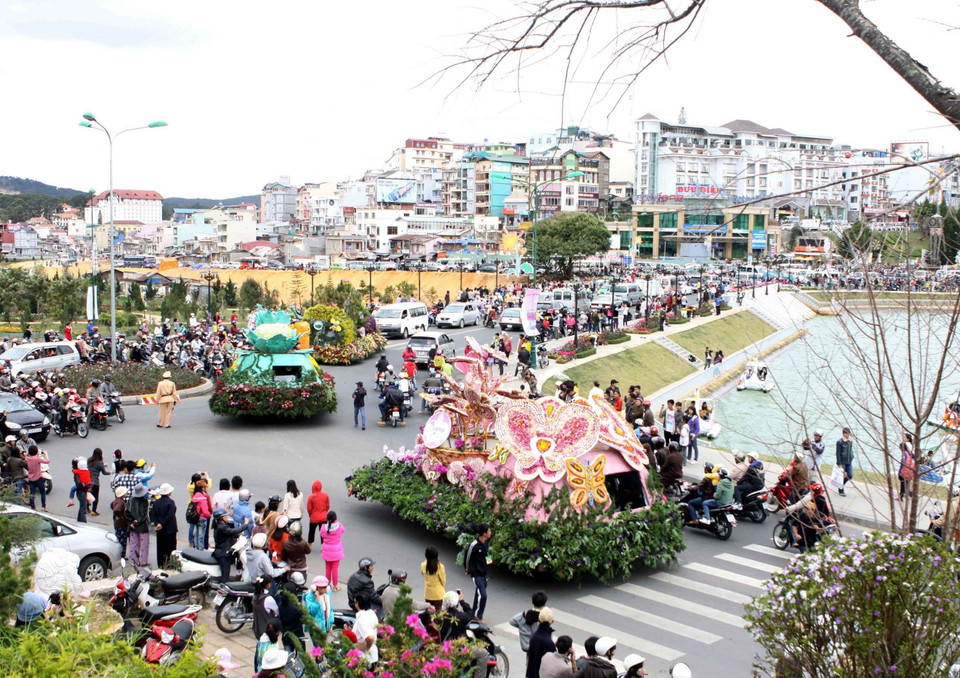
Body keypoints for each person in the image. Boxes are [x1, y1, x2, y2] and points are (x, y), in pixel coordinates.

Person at [464, 523, 492, 621]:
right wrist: (467, 568)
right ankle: (478, 616)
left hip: (484, 573)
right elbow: (467, 557)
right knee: (483, 595)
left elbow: (487, 553)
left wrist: (489, 562)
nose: (490, 532)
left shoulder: (486, 542)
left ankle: (474, 611)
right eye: (489, 531)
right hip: (476, 574)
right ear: (484, 533)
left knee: (479, 592)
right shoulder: (474, 545)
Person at [213, 507, 247, 582]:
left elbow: (228, 534)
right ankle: (223, 590)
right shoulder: (222, 527)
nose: (227, 517)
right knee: (225, 576)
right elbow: (232, 531)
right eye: (226, 515)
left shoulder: (220, 525)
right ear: (221, 518)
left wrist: (238, 535)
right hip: (223, 553)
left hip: (223, 551)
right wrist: (245, 525)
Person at [150, 483, 178, 568]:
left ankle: (161, 564)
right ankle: (170, 564)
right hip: (170, 529)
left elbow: (153, 515)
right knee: (170, 548)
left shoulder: (157, 502)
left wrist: (158, 523)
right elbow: (170, 516)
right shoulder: (171, 502)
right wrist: (162, 524)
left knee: (160, 548)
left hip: (160, 530)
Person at [526, 608, 557, 678]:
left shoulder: (533, 636)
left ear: (539, 620)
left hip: (531, 673)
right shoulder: (549, 642)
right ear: (552, 621)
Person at [126, 484, 151, 566]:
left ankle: (133, 560)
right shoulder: (144, 502)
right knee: (144, 545)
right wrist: (136, 522)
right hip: (142, 526)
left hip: (132, 526)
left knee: (133, 543)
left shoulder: (130, 501)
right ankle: (143, 561)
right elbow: (143, 516)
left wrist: (133, 522)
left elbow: (127, 513)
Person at [352, 593, 380, 667]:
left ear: (357, 604)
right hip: (373, 656)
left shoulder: (362, 619)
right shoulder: (371, 613)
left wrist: (366, 648)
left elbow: (370, 637)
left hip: (365, 659)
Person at [319, 510, 345, 591]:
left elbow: (321, 534)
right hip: (336, 552)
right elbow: (343, 530)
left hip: (327, 551)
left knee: (327, 568)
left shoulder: (324, 527)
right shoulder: (339, 526)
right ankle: (335, 585)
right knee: (335, 569)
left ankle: (327, 584)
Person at [87, 447, 111, 516]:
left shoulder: (89, 460)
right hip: (95, 482)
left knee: (88, 495)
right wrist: (110, 472)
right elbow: (104, 473)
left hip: (88, 481)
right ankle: (94, 510)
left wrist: (103, 465)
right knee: (95, 496)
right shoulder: (100, 463)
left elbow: (93, 467)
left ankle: (87, 508)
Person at [421, 545, 446, 610]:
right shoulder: (440, 566)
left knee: (429, 613)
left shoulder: (423, 565)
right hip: (438, 594)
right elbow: (443, 580)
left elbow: (423, 575)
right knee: (437, 615)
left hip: (428, 594)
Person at [191, 477, 213, 549]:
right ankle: (200, 550)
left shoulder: (195, 496)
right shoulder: (203, 497)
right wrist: (209, 515)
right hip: (202, 518)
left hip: (196, 517)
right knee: (201, 535)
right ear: (202, 488)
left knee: (196, 534)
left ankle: (196, 549)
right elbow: (205, 511)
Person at [307, 480, 330, 544]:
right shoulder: (325, 495)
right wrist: (324, 512)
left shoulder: (311, 497)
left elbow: (309, 509)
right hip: (323, 517)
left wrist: (311, 515)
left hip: (314, 518)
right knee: (323, 532)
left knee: (311, 531)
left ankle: (310, 544)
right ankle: (323, 545)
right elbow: (327, 506)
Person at [111, 486, 129, 559]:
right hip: (122, 525)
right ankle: (121, 556)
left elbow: (112, 506)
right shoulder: (121, 502)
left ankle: (120, 556)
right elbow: (116, 509)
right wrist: (120, 516)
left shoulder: (115, 501)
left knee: (119, 539)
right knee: (122, 541)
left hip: (117, 524)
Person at [836, 427, 854, 496]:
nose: (848, 435)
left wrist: (852, 457)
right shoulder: (840, 442)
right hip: (842, 461)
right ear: (843, 434)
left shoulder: (850, 441)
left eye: (848, 433)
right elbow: (838, 453)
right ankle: (841, 490)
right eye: (846, 433)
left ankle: (841, 485)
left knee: (850, 475)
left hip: (849, 461)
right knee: (841, 476)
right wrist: (839, 463)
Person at [898, 435, 915, 502]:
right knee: (906, 483)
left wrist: (900, 470)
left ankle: (902, 495)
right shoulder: (910, 451)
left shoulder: (906, 450)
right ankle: (910, 494)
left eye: (904, 437)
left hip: (905, 470)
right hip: (910, 469)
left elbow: (903, 462)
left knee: (903, 483)